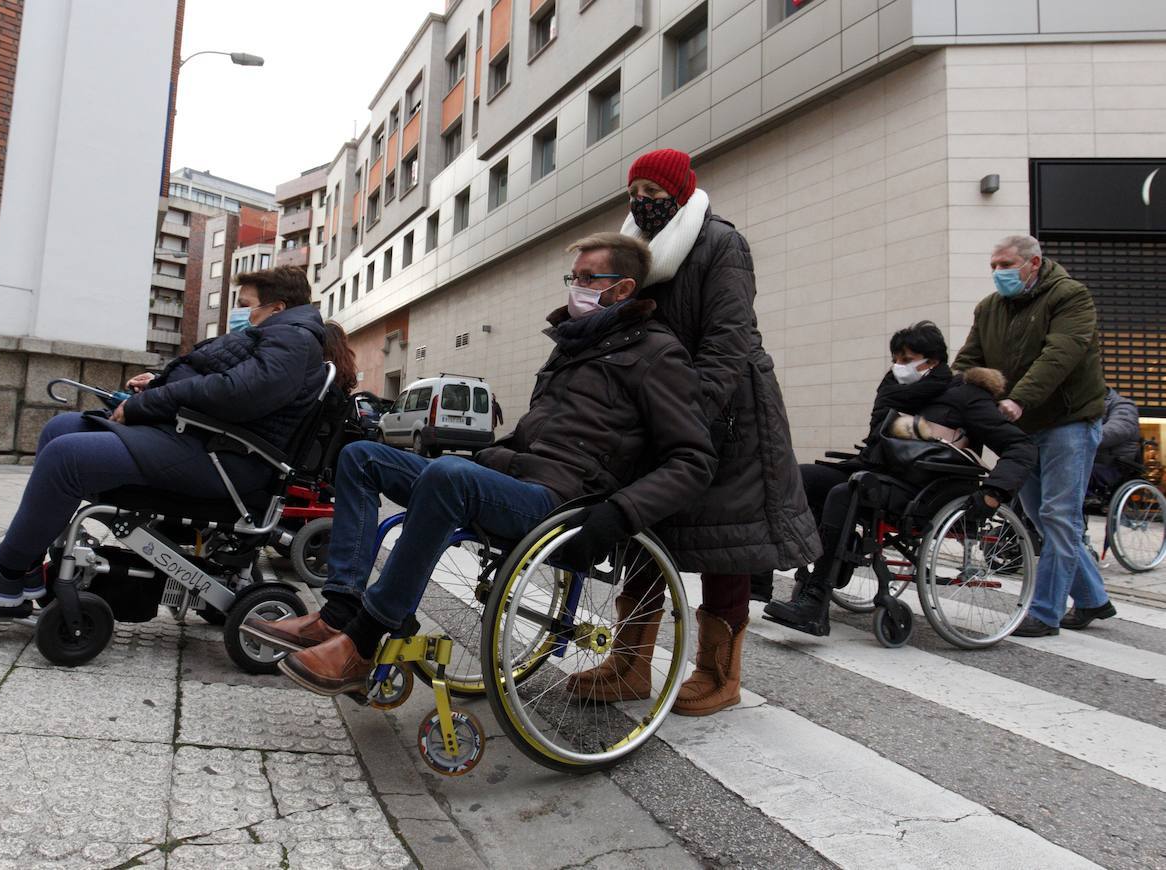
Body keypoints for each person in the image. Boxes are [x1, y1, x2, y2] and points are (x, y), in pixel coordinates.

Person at [242, 233, 713, 696]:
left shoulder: (657, 355)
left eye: (590, 277)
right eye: (574, 276)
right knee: (361, 456)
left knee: (452, 476)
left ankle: (364, 640)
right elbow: (538, 432)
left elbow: (694, 459)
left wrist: (623, 511)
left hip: (563, 501)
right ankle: (340, 612)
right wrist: (496, 453)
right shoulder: (572, 348)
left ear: (623, 289)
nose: (576, 285)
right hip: (519, 478)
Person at [0, 267, 326, 607]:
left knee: (68, 457)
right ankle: (23, 566)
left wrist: (150, 403)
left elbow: (243, 393)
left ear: (278, 307)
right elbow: (224, 381)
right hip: (205, 443)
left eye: (246, 307)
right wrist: (160, 381)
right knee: (61, 428)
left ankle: (3, 574)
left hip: (226, 460)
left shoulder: (293, 337)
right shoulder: (281, 335)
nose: (240, 316)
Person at [578, 148, 819, 717]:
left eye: (654, 195)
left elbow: (728, 339)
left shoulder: (721, 244)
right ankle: (630, 662)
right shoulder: (633, 248)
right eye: (634, 193)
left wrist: (689, 414)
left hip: (729, 409)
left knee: (724, 540)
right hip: (660, 404)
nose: (642, 204)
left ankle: (719, 673)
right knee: (644, 527)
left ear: (681, 194)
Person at [763, 321, 1036, 635]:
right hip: (877, 469)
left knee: (845, 492)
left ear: (932, 362)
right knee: (799, 477)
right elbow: (879, 439)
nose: (899, 367)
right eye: (896, 359)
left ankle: (814, 602)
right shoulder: (894, 390)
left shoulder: (965, 396)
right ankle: (777, 574)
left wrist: (993, 492)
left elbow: (1020, 446)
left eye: (907, 360)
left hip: (924, 486)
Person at [953, 234, 1115, 635]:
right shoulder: (988, 308)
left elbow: (1061, 353)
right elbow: (970, 360)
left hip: (1068, 422)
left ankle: (1045, 612)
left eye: (1005, 265)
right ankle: (1094, 600)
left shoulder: (1070, 297)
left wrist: (1018, 399)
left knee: (1059, 517)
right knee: (1044, 521)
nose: (998, 273)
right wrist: (957, 401)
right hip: (1020, 430)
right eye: (993, 266)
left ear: (1034, 263)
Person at [1091, 389, 1140, 494]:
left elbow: (1118, 430)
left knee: (1071, 471)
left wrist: (1082, 438)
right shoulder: (1083, 406)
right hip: (1088, 462)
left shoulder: (1124, 405)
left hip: (1113, 467)